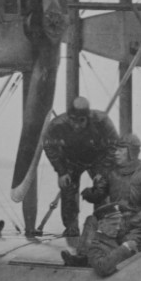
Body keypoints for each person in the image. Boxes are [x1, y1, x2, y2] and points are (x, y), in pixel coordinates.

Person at [62, 133, 141, 277]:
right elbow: (99, 194)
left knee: (128, 246)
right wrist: (89, 192)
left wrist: (129, 224)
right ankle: (82, 257)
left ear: (131, 152)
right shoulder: (112, 173)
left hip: (138, 228)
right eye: (115, 150)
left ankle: (112, 261)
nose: (116, 153)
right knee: (92, 221)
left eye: (120, 150)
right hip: (116, 223)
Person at [43, 96, 120, 236]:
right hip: (71, 160)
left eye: (81, 121)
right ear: (68, 117)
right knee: (67, 188)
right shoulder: (57, 125)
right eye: (73, 120)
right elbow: (48, 147)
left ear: (88, 117)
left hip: (98, 158)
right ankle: (71, 228)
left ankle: (102, 228)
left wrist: (103, 170)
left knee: (102, 188)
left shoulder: (102, 121)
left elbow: (114, 145)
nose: (77, 125)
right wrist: (61, 171)